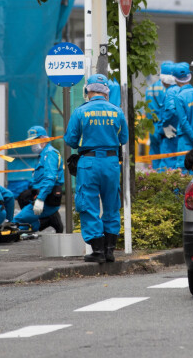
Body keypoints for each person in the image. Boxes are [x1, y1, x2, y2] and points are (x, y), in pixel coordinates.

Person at [64, 74, 129, 263]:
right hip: (111, 163)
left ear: (88, 90)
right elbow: (123, 139)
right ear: (106, 91)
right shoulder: (117, 111)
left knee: (88, 204)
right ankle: (110, 250)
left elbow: (70, 140)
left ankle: (98, 251)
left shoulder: (80, 111)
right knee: (111, 204)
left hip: (89, 163)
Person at [13, 125, 64, 233]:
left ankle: (48, 218)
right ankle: (46, 220)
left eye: (34, 141)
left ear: (43, 139)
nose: (32, 144)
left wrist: (40, 199)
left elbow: (50, 179)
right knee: (23, 197)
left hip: (46, 199)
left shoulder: (50, 154)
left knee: (15, 223)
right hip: (40, 196)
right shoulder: (43, 155)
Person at [145, 62, 173, 171]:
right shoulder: (168, 90)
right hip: (166, 126)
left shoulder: (150, 88)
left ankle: (155, 176)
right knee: (168, 155)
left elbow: (147, 109)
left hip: (152, 127)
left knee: (154, 154)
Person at [159, 63, 182, 170]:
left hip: (170, 131)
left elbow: (170, 111)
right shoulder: (178, 89)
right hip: (178, 130)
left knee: (168, 161)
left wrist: (165, 126)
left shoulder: (170, 92)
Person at [173, 63, 193, 172]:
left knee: (184, 170)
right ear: (190, 76)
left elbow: (183, 121)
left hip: (185, 140)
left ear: (176, 79)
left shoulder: (179, 97)